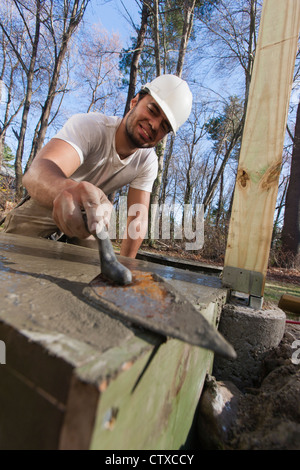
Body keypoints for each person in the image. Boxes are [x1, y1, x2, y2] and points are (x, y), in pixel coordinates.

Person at [3, 74, 193, 258]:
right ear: (134, 102)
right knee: (10, 253)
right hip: (49, 198)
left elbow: (138, 219)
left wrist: (126, 267)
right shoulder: (91, 126)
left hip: (92, 218)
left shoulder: (147, 162)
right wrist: (69, 190)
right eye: (152, 110)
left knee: (95, 264)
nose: (154, 125)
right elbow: (36, 172)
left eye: (164, 126)